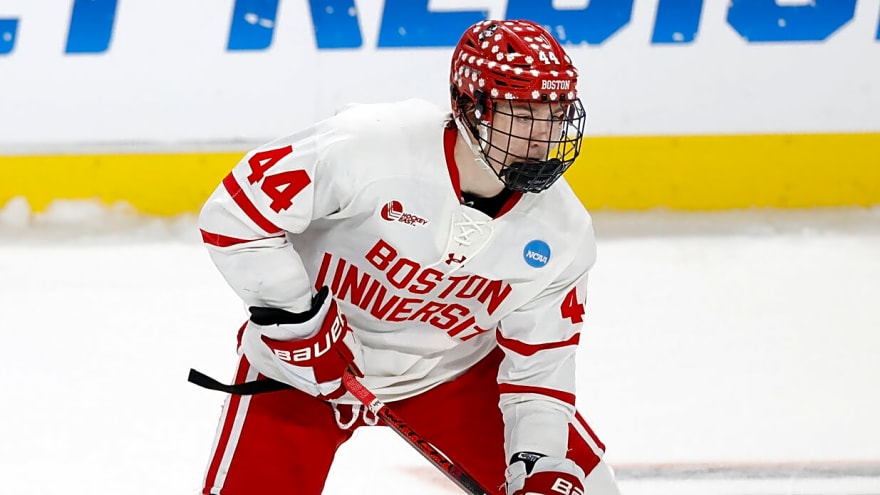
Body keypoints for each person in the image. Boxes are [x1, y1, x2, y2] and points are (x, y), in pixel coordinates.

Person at [196, 18, 621, 495]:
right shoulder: (370, 146)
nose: (543, 136)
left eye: (555, 114)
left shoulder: (563, 231)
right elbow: (233, 215)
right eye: (524, 115)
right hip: (298, 369)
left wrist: (537, 461)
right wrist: (297, 323)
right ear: (469, 107)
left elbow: (540, 370)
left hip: (450, 371)